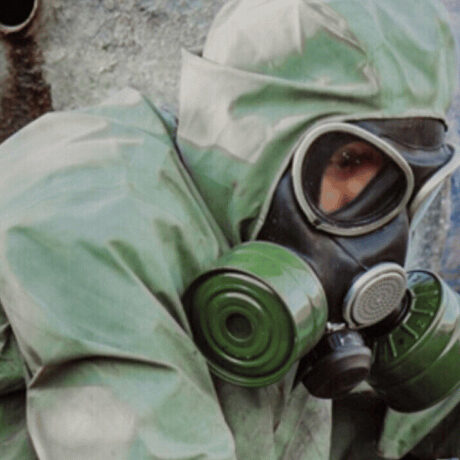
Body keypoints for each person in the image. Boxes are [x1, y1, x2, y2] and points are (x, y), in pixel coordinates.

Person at [0, 0, 458, 458]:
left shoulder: (260, 244)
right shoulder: (92, 221)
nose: (381, 238)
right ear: (262, 143)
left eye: (399, 189)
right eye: (350, 161)